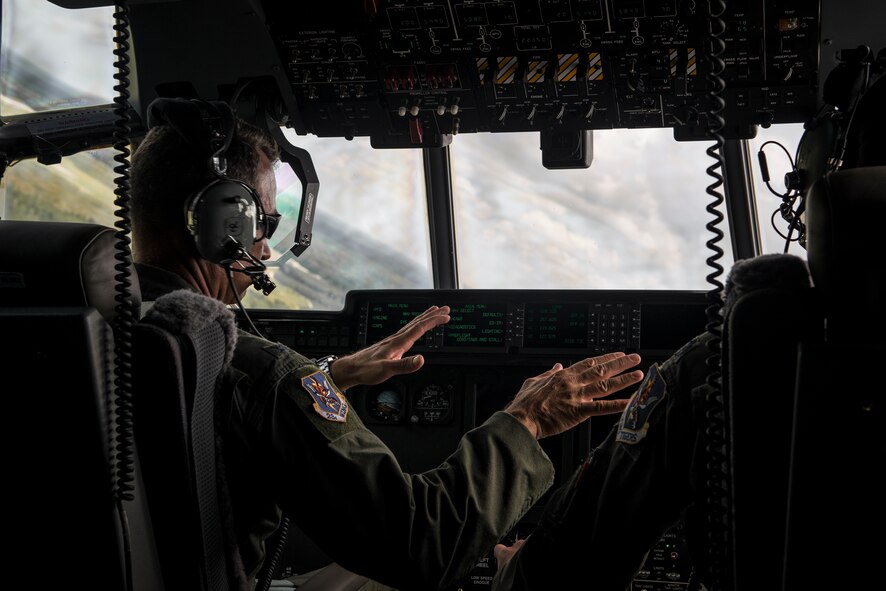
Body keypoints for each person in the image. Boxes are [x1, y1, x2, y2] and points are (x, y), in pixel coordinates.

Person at [129, 97, 645, 591]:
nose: (262, 249)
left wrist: (333, 375)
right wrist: (529, 418)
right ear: (225, 223)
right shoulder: (259, 373)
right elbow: (424, 543)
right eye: (263, 223)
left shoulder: (98, 326)